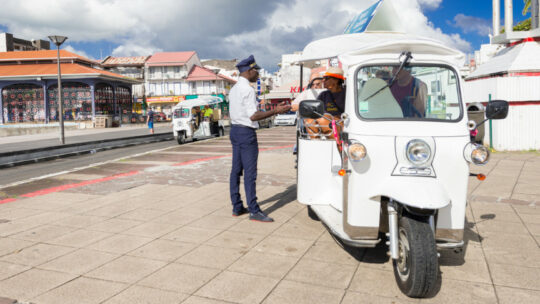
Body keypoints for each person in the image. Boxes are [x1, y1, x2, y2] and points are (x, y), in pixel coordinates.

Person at [229, 54, 291, 222]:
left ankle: (237, 206)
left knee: (236, 171)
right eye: (256, 71)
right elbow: (254, 116)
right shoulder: (247, 89)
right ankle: (254, 211)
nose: (258, 74)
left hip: (234, 131)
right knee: (250, 173)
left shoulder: (234, 89)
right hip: (246, 133)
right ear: (249, 71)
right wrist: (275, 111)